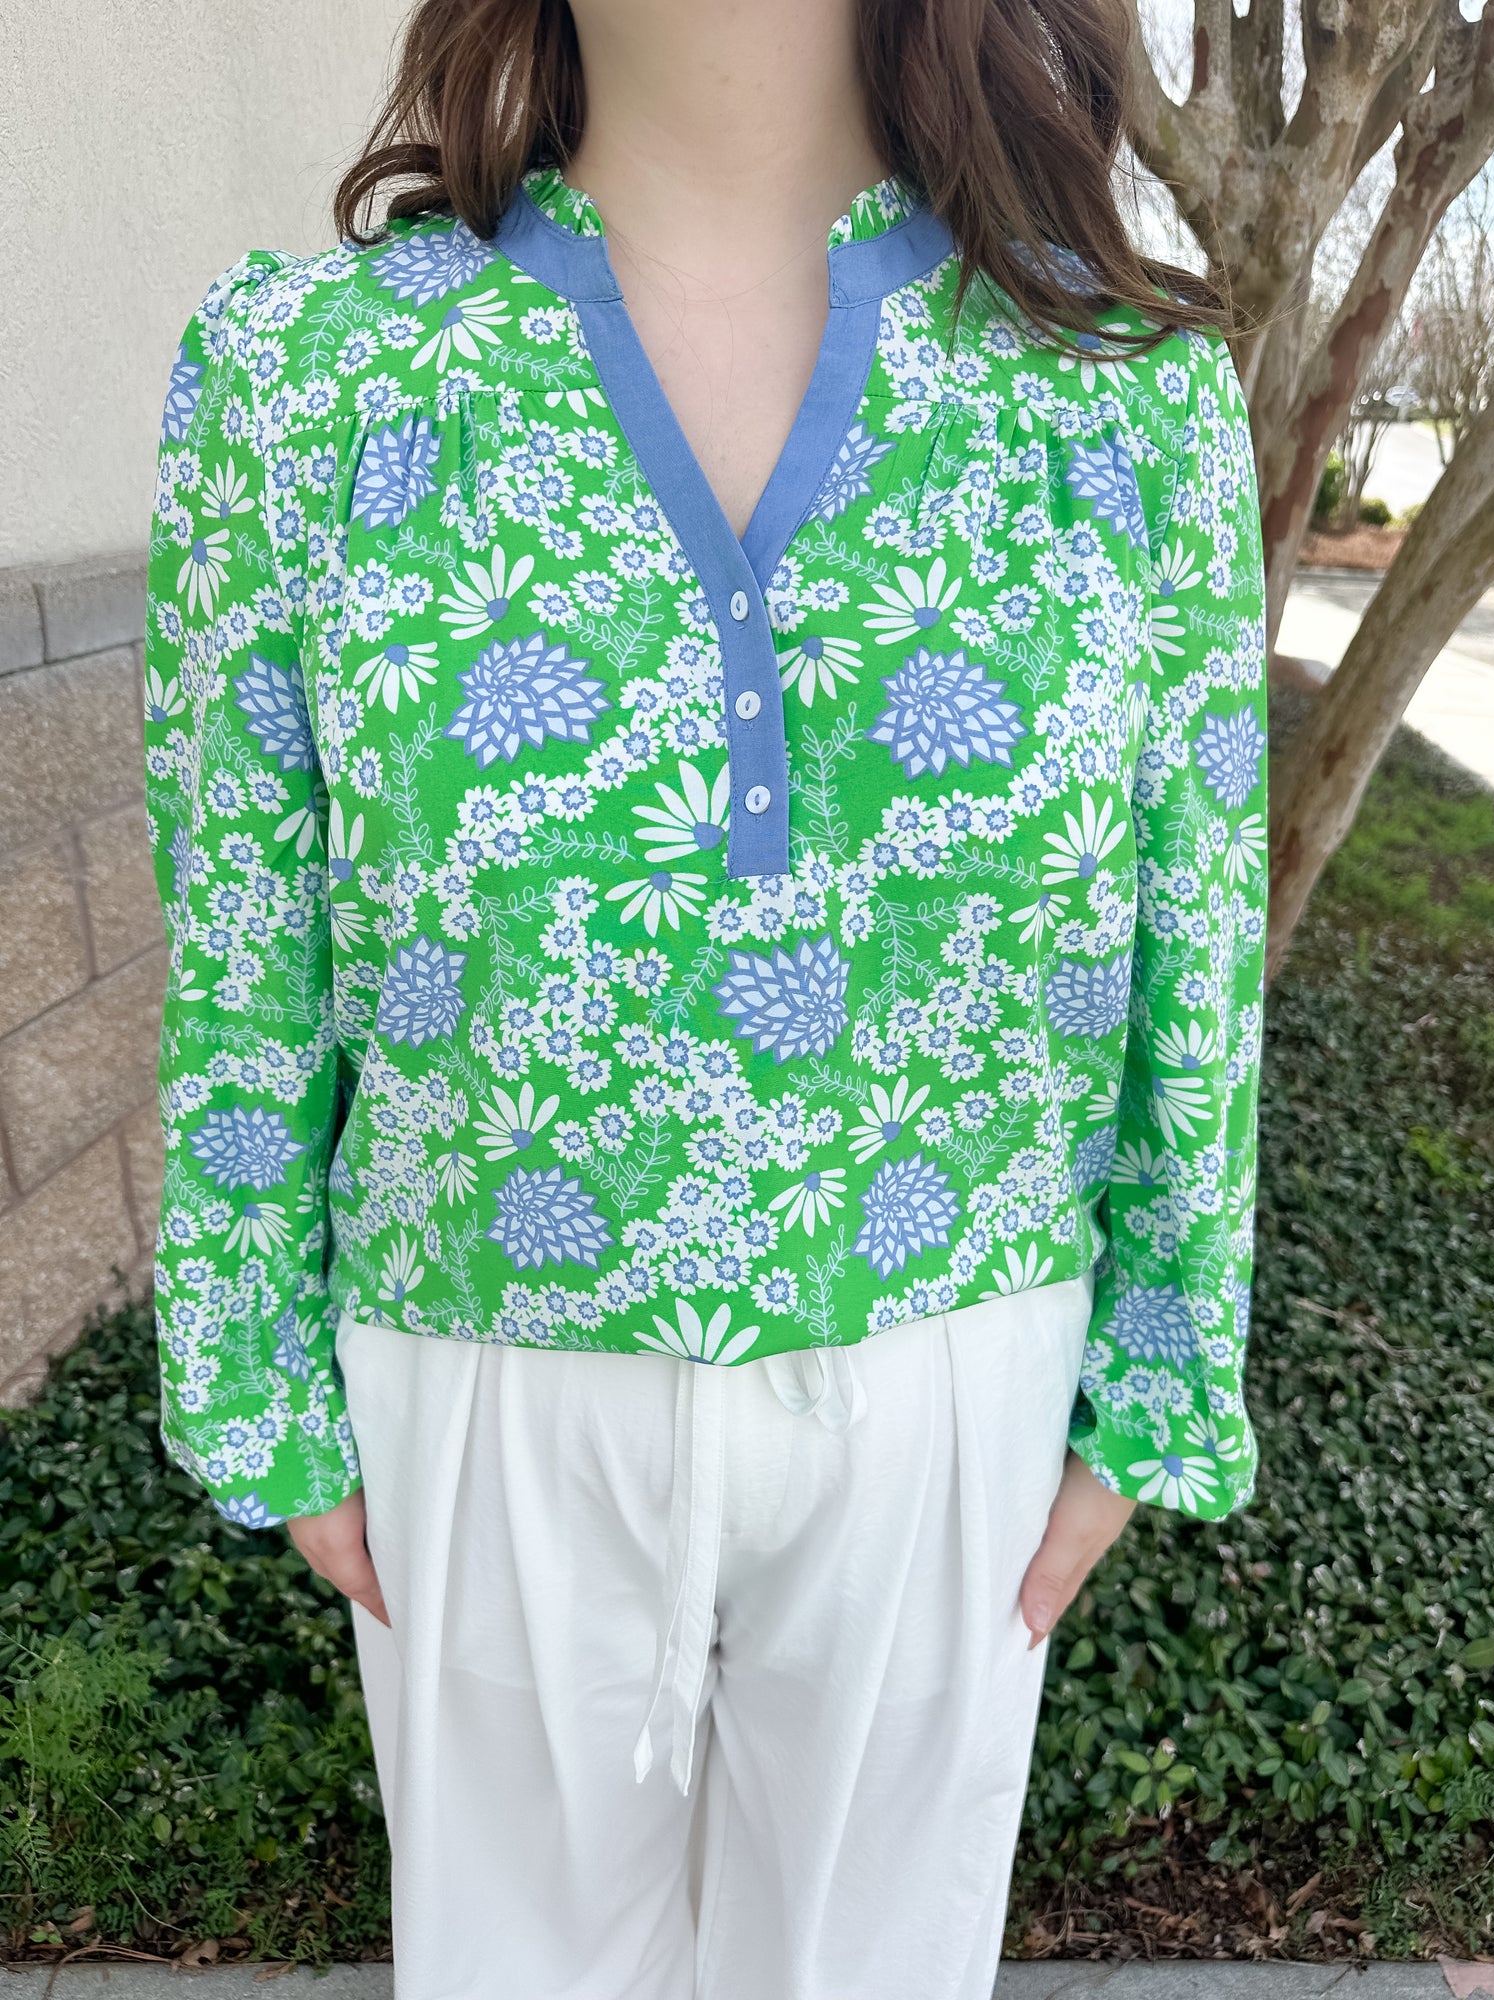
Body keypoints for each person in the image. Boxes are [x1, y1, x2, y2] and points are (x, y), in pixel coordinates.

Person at [142, 0, 1269, 1992]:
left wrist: (1162, 1371)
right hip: (477, 1349)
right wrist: (256, 1375)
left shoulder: (1120, 397)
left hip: (956, 1340)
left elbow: (1203, 914)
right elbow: (244, 927)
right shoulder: (305, 378)